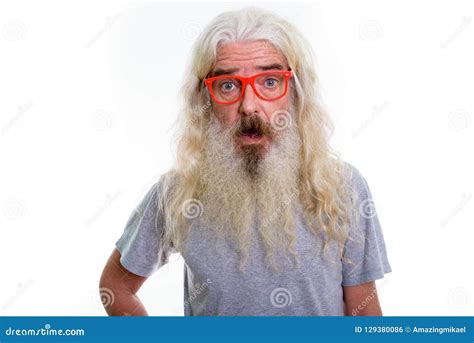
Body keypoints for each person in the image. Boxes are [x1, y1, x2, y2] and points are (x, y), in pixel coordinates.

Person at [99, 7, 392, 316]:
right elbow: (116, 289)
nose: (249, 106)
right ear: (205, 100)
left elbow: (363, 311)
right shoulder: (177, 193)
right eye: (228, 86)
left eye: (269, 82)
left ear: (294, 92)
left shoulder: (343, 187)